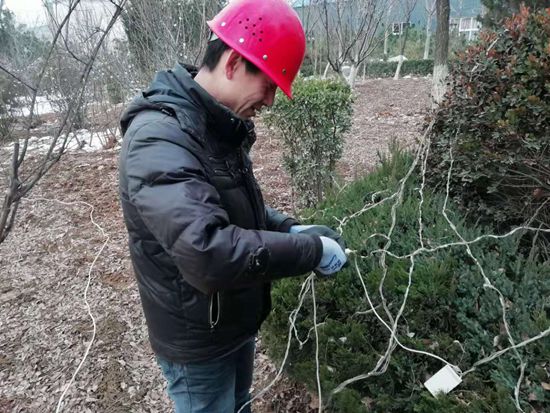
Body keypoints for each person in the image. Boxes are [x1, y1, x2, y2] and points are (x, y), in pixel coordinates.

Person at [118, 0, 347, 411]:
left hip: (231, 319)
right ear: (233, 63)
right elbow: (209, 250)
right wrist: (309, 252)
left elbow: (234, 211)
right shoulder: (159, 138)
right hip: (198, 338)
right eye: (271, 84)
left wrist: (290, 230)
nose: (272, 101)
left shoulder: (215, 123)